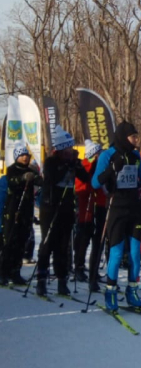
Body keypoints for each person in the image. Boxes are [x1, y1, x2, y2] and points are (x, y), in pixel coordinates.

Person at [92, 122, 141, 310]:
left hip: (134, 209)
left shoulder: (134, 156)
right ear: (124, 136)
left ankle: (132, 290)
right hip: (116, 208)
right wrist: (111, 169)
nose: (136, 140)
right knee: (116, 253)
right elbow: (94, 182)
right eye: (133, 136)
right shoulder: (108, 155)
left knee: (134, 253)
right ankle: (110, 291)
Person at [38, 126, 91, 297]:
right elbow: (53, 179)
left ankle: (62, 280)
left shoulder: (72, 161)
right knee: (47, 244)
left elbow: (85, 178)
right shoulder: (51, 162)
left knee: (63, 246)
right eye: (68, 147)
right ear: (60, 148)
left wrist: (78, 164)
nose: (71, 150)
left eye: (71, 147)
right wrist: (67, 165)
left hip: (67, 208)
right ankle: (41, 279)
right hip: (50, 209)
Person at [0, 143, 42, 285]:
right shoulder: (12, 169)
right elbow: (12, 181)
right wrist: (23, 178)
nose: (25, 158)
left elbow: (40, 181)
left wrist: (38, 177)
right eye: (22, 155)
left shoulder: (31, 170)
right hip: (13, 211)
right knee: (9, 242)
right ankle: (3, 272)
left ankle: (15, 272)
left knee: (21, 243)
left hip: (26, 212)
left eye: (26, 155)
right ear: (17, 156)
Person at [73, 140, 101, 283]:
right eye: (97, 153)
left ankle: (91, 269)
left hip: (94, 204)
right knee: (83, 238)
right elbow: (82, 186)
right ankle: (78, 266)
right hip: (84, 206)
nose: (98, 155)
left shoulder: (96, 165)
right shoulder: (84, 165)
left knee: (93, 237)